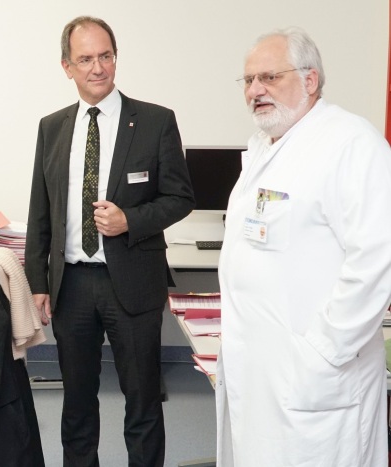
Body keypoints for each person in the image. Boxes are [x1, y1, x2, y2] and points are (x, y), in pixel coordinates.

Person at [25, 16, 194, 466]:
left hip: (133, 283)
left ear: (115, 58)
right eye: (85, 59)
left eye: (105, 56)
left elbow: (180, 197)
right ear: (67, 66)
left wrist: (130, 220)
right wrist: (37, 282)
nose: (98, 67)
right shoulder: (51, 128)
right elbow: (40, 210)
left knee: (141, 403)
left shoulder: (156, 121)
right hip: (72, 287)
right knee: (77, 406)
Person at [217, 27, 391, 466]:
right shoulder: (264, 146)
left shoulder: (351, 143)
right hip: (260, 370)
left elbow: (378, 258)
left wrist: (324, 350)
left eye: (270, 77)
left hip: (316, 372)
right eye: (249, 80)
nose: (256, 90)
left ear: (310, 80)